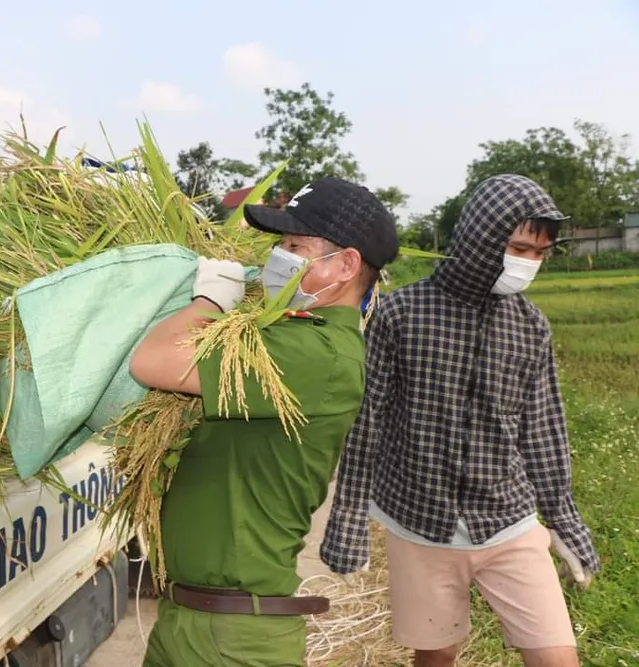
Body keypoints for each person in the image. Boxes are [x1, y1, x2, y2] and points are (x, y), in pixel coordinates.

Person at [320, 174, 599, 667]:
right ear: (480, 237)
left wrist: (564, 521)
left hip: (508, 520)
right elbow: (367, 424)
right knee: (437, 655)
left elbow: (543, 430)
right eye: (518, 248)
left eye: (539, 253)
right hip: (419, 523)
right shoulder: (402, 313)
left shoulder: (529, 325)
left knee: (558, 657)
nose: (527, 263)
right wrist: (347, 521)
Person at [128, 177, 400, 666]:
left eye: (296, 246)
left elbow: (151, 360)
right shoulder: (286, 336)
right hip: (191, 620)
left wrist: (208, 302)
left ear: (346, 264)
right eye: (280, 243)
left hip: (235, 639)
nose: (280, 256)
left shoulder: (317, 354)